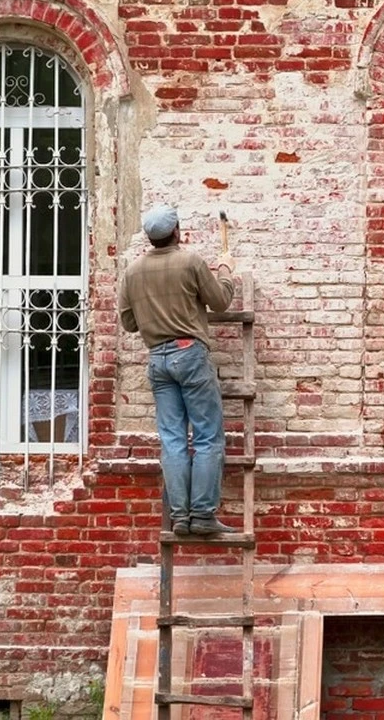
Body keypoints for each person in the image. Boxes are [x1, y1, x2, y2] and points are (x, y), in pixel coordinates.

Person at [118, 204, 237, 536]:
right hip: (190, 354)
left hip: (158, 359)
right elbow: (220, 302)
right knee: (207, 437)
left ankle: (179, 517)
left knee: (172, 440)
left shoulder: (132, 271)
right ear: (177, 231)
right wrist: (225, 270)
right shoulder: (190, 261)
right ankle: (201, 515)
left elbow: (128, 323)